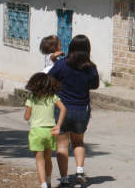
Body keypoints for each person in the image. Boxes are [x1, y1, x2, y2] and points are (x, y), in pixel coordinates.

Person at [48, 35, 99, 187]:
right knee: (78, 142)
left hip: (62, 110)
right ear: (87, 49)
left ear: (71, 47)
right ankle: (79, 172)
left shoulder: (61, 65)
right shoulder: (91, 67)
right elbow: (94, 85)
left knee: (62, 146)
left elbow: (49, 79)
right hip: (81, 110)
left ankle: (64, 179)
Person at [24, 73, 67, 188]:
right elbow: (63, 109)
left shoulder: (32, 98)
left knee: (39, 160)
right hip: (50, 131)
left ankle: (43, 185)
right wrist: (58, 125)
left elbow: (26, 117)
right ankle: (48, 181)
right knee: (48, 158)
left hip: (37, 132)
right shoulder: (53, 97)